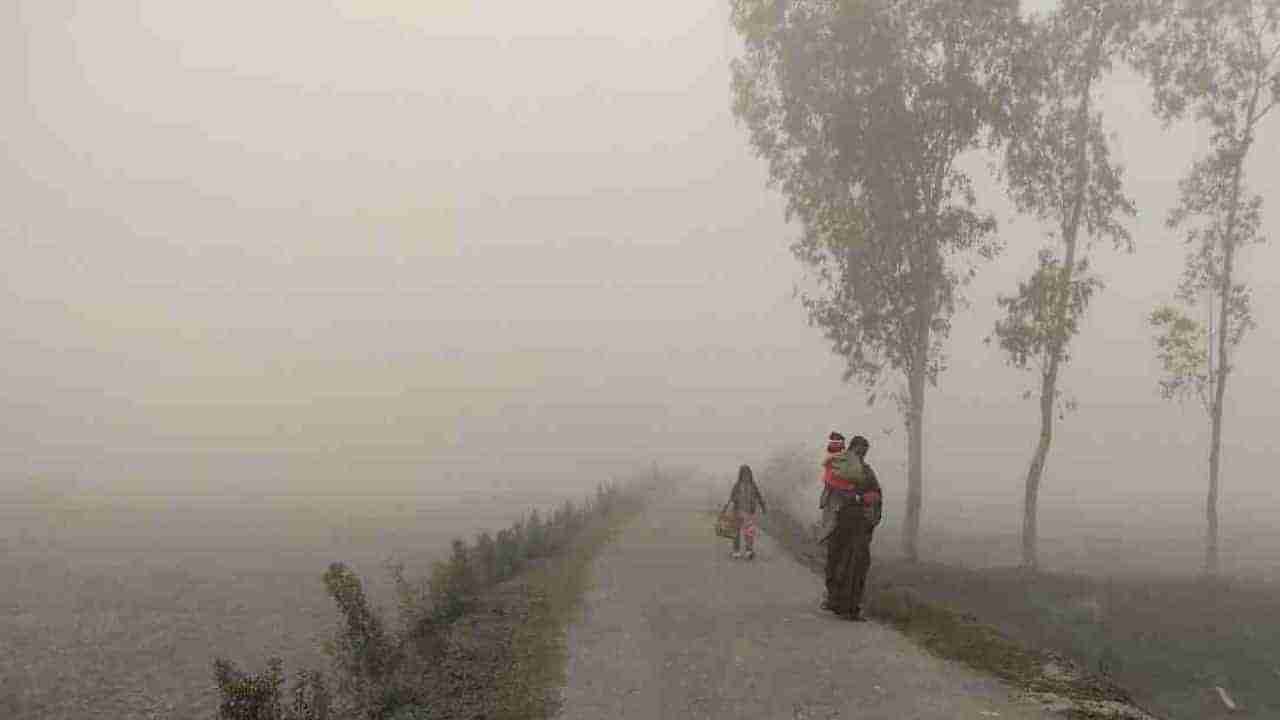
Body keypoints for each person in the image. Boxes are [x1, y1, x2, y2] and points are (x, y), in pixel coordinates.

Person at [820, 435, 882, 621]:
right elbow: (830, 495)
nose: (862, 454)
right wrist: (859, 499)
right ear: (852, 449)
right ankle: (837, 601)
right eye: (859, 450)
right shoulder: (840, 468)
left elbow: (876, 495)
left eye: (864, 451)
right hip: (842, 522)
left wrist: (871, 510)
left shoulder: (866, 472)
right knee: (839, 561)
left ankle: (850, 606)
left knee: (856, 564)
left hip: (859, 524)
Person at [727, 464, 767, 560]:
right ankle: (736, 551)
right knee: (736, 533)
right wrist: (735, 498)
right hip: (737, 511)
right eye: (744, 474)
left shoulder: (753, 485)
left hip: (749, 512)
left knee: (749, 532)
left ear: (750, 474)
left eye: (747, 474)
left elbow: (759, 496)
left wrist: (763, 506)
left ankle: (749, 551)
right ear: (741, 475)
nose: (746, 476)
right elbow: (732, 497)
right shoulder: (737, 485)